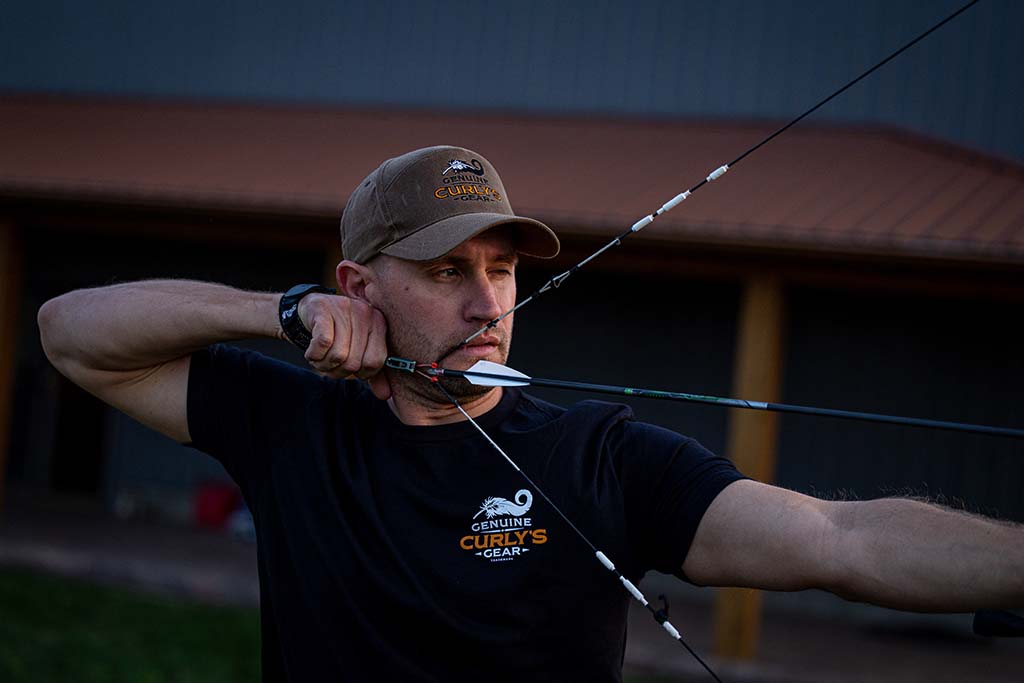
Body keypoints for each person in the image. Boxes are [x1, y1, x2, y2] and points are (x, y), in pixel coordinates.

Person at [37, 146, 1023, 682]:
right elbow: (71, 332)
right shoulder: (292, 421)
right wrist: (276, 312)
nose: (487, 303)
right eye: (446, 271)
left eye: (501, 269)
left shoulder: (597, 455)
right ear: (358, 285)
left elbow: (837, 538)